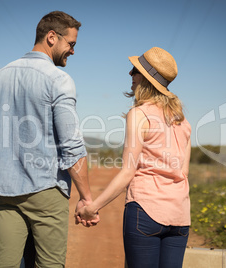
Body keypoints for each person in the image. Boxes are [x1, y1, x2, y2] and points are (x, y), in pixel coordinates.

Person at [0, 11, 99, 268]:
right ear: (52, 37)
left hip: (4, 193)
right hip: (46, 190)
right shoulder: (59, 80)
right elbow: (72, 147)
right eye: (71, 44)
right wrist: (86, 198)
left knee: (5, 264)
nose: (73, 51)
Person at [76, 47, 192, 268]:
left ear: (146, 79)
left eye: (135, 70)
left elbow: (128, 171)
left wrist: (93, 207)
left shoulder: (139, 114)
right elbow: (183, 172)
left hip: (145, 212)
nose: (131, 75)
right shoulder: (183, 122)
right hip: (179, 216)